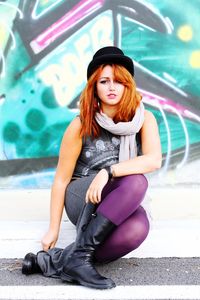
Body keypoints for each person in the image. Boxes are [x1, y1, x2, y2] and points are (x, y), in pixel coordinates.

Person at [21, 46, 162, 289]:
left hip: (115, 194)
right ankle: (78, 258)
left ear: (127, 85)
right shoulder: (80, 125)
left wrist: (108, 173)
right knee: (137, 180)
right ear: (94, 86)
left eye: (118, 81)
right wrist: (52, 229)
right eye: (104, 81)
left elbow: (153, 160)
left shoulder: (143, 119)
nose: (111, 87)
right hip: (82, 196)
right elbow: (61, 181)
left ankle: (68, 259)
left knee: (139, 226)